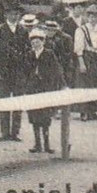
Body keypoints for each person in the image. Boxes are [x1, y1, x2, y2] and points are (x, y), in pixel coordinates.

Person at [23, 26, 67, 154]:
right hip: (32, 89)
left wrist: (61, 84)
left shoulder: (49, 54)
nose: (35, 44)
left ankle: (47, 144)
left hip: (46, 88)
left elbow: (57, 70)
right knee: (34, 117)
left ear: (43, 42)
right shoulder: (29, 55)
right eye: (33, 42)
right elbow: (25, 71)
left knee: (45, 117)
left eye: (38, 41)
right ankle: (37, 144)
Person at [0, 9, 33, 142]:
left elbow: (28, 50)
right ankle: (4, 133)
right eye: (11, 14)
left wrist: (25, 70)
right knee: (4, 102)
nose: (13, 16)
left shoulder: (23, 30)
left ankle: (15, 132)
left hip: (18, 72)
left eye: (16, 14)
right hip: (3, 72)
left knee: (17, 102)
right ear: (6, 15)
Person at [73, 4, 97, 120]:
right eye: (90, 16)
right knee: (85, 84)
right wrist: (81, 63)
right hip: (86, 57)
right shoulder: (81, 30)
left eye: (95, 16)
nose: (92, 18)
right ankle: (84, 112)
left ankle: (93, 111)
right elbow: (78, 48)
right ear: (87, 16)